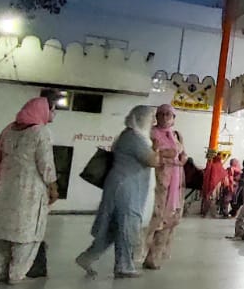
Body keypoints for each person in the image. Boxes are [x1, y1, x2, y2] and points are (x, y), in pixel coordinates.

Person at [0, 96, 57, 284]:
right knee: (25, 236)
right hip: (28, 191)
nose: (54, 113)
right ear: (43, 111)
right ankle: (15, 276)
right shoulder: (40, 132)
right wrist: (53, 187)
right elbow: (46, 165)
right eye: (52, 109)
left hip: (2, 188)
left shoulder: (9, 130)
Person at [77, 106, 163, 278]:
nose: (153, 121)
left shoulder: (133, 136)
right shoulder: (133, 137)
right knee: (126, 225)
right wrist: (157, 148)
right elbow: (152, 161)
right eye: (150, 117)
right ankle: (124, 266)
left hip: (124, 186)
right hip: (125, 188)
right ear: (140, 119)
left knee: (114, 228)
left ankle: (87, 258)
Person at [144, 103, 188, 270]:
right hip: (158, 182)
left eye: (168, 114)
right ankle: (138, 254)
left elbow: (182, 153)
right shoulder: (151, 133)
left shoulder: (176, 135)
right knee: (154, 219)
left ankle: (154, 257)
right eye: (161, 114)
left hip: (175, 183)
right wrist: (164, 155)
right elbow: (148, 155)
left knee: (170, 220)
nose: (164, 117)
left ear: (174, 118)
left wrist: (182, 157)